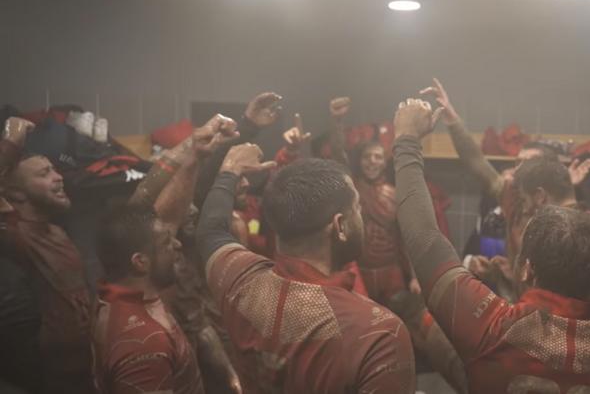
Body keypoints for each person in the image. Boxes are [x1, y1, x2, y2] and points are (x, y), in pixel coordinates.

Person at [392, 97, 590, 393]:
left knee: (437, 334)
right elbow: (480, 167)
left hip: (514, 342)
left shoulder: (494, 332)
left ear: (527, 269)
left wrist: (407, 139)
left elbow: (424, 237)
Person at [196, 143, 415, 393]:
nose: (362, 215)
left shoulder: (238, 280)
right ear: (340, 226)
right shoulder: (378, 333)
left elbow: (210, 232)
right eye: (357, 208)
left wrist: (230, 169)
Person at [421, 79, 590, 327]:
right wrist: (452, 119)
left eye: (527, 166)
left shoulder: (589, 228)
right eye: (517, 163)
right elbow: (476, 163)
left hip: (570, 329)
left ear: (541, 188)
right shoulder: (517, 203)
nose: (517, 173)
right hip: (525, 316)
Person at [0, 116, 95, 393]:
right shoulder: (14, 232)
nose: (58, 177)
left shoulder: (56, 230)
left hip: (89, 368)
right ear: (14, 194)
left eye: (54, 170)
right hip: (53, 378)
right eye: (43, 174)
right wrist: (11, 140)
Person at [93, 205, 206, 394]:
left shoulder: (117, 296)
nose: (177, 245)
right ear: (140, 262)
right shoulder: (144, 346)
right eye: (166, 242)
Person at [327, 96, 421, 305]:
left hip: (391, 272)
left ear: (385, 161)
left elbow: (406, 238)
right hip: (360, 271)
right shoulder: (352, 188)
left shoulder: (395, 194)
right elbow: (338, 156)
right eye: (367, 157)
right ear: (359, 161)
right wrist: (336, 122)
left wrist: (415, 276)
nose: (372, 162)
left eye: (378, 157)